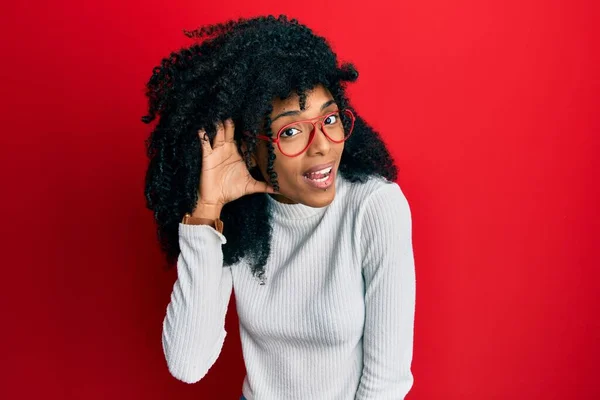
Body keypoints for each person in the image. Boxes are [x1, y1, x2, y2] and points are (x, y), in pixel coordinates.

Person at [142, 14, 416, 400]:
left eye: (330, 118)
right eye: (291, 130)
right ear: (249, 150)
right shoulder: (239, 215)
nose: (321, 144)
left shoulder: (373, 207)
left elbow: (387, 383)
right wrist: (206, 210)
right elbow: (188, 363)